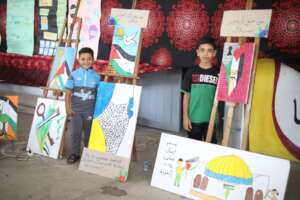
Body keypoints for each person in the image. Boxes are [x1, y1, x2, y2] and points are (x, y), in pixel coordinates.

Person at [65, 47, 101, 164]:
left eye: (89, 59)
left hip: (90, 111)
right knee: (75, 132)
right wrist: (68, 108)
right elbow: (68, 93)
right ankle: (75, 153)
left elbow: (99, 94)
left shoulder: (97, 77)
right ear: (78, 60)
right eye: (83, 59)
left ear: (93, 60)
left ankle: (87, 154)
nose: (86, 61)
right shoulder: (73, 75)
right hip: (76, 110)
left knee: (89, 134)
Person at [181, 36, 219, 142]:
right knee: (194, 149)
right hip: (193, 119)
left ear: (214, 53)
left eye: (209, 50)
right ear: (197, 52)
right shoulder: (191, 72)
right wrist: (185, 117)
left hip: (211, 119)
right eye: (202, 50)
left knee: (211, 149)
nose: (205, 54)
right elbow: (186, 96)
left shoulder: (219, 73)